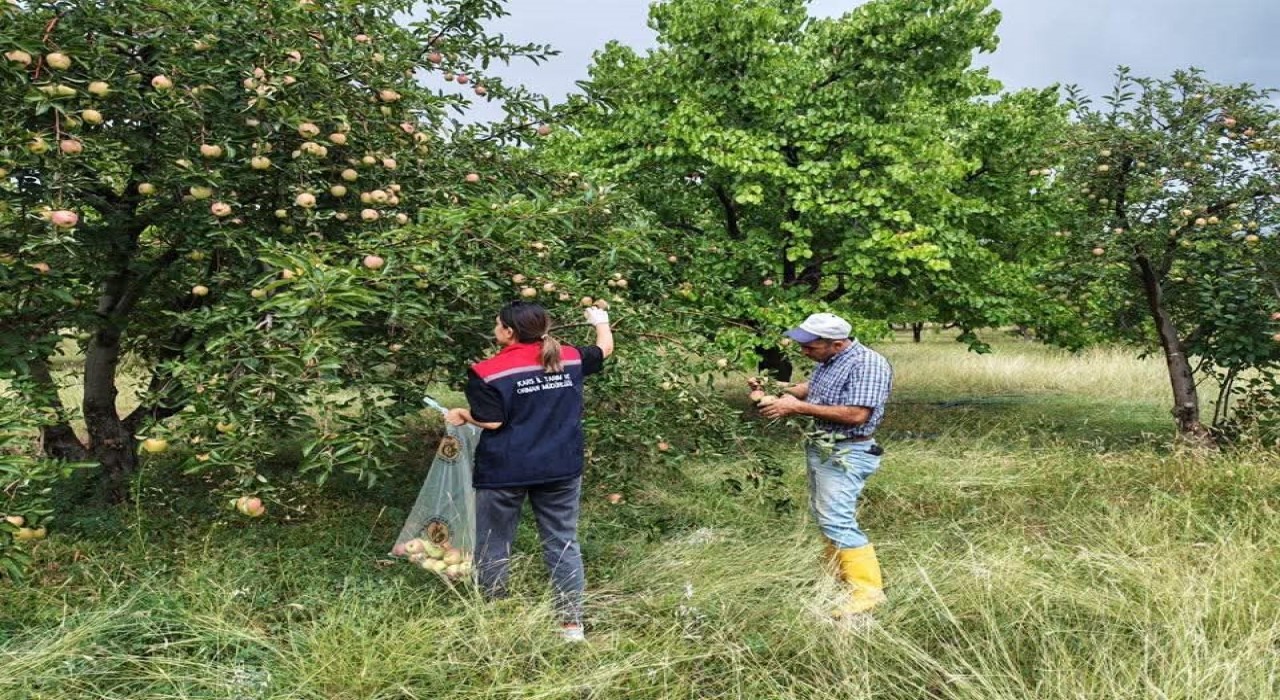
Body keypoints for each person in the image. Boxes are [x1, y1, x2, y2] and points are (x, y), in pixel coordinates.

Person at [445, 300, 613, 642]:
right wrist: (600, 320)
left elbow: (492, 421)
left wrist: (463, 413)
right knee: (562, 541)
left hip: (505, 469)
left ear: (508, 332)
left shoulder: (487, 371)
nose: (495, 330)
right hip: (560, 468)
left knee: (493, 543)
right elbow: (604, 349)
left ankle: (495, 616)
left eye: (496, 325)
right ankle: (571, 625)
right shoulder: (568, 357)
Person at [755, 312, 893, 618]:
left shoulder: (867, 364)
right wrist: (776, 388)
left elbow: (858, 415)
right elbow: (811, 388)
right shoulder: (829, 361)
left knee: (837, 518)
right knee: (825, 514)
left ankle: (868, 593)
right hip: (824, 447)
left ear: (838, 343)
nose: (804, 351)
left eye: (810, 346)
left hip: (847, 451)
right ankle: (839, 576)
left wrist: (796, 408)